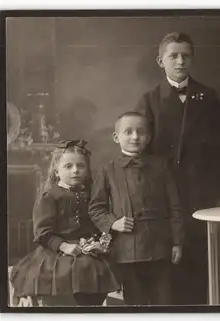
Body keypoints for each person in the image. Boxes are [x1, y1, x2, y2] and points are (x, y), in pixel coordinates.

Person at [135, 32, 220, 305]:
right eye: (173, 56)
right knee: (168, 261)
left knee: (199, 258)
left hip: (201, 191)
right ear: (160, 61)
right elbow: (139, 150)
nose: (180, 61)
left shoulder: (208, 97)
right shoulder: (149, 100)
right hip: (163, 195)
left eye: (185, 56)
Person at [88, 112, 184, 306]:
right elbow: (96, 208)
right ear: (117, 137)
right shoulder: (108, 170)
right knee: (135, 302)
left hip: (159, 247)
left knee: (164, 301)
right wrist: (113, 223)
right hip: (127, 250)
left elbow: (175, 206)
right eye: (128, 132)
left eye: (141, 132)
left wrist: (177, 242)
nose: (135, 137)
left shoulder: (161, 166)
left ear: (148, 137)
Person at [9, 140, 120, 306]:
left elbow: (96, 221)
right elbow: (42, 232)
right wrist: (64, 246)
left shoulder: (91, 194)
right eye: (68, 166)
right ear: (57, 170)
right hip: (56, 253)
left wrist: (97, 242)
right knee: (61, 287)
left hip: (87, 251)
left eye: (80, 166)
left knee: (92, 281)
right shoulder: (50, 196)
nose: (75, 170)